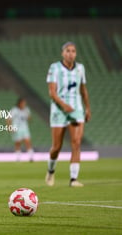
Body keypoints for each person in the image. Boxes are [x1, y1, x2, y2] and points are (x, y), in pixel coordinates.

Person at [45, 41, 91, 187]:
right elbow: (52, 92)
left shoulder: (80, 68)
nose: (71, 54)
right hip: (59, 109)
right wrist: (64, 106)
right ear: (62, 53)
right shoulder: (55, 68)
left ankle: (73, 179)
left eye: (73, 51)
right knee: (56, 147)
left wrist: (87, 108)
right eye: (68, 51)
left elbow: (83, 89)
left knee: (76, 143)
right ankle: (51, 170)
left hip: (76, 109)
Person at [7, 97, 34, 162]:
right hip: (16, 128)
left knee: (28, 142)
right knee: (18, 143)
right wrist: (9, 127)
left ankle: (31, 157)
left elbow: (30, 119)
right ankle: (18, 157)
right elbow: (8, 119)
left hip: (24, 128)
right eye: (23, 103)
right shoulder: (14, 110)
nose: (24, 104)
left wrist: (28, 116)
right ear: (19, 103)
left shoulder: (26, 110)